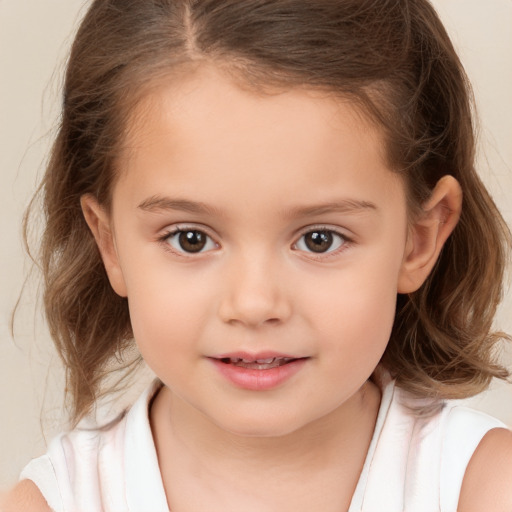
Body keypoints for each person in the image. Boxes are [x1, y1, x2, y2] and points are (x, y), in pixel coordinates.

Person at [3, 0, 512, 510]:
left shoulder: (484, 487)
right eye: (190, 239)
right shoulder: (54, 502)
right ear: (110, 244)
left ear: (418, 239)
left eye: (319, 239)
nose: (253, 303)